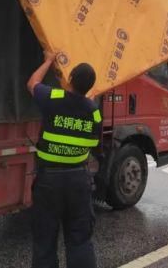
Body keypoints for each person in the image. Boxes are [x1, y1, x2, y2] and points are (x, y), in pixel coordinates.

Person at [26, 51, 101, 268]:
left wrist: (49, 60)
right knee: (80, 241)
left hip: (49, 181)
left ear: (69, 80)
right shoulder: (94, 111)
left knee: (45, 241)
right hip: (79, 180)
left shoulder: (54, 98)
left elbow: (32, 83)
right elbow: (95, 144)